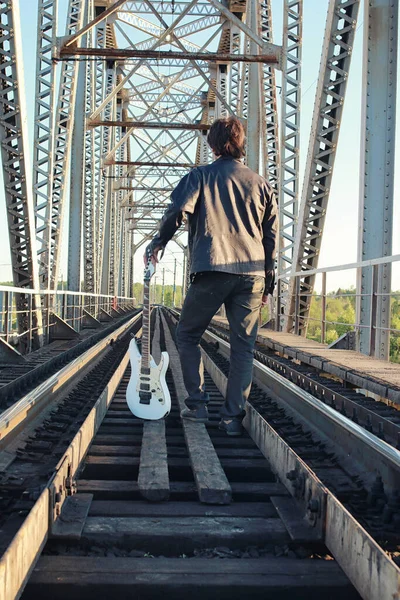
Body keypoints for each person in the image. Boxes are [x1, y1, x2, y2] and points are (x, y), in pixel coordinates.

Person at [145, 116, 277, 436]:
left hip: (213, 269)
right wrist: (268, 284)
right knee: (243, 347)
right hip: (253, 274)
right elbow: (271, 238)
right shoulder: (261, 184)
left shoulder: (200, 177)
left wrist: (158, 242)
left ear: (213, 146)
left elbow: (177, 211)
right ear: (242, 144)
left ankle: (198, 405)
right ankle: (232, 419)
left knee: (188, 335)